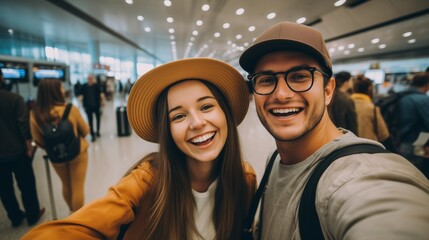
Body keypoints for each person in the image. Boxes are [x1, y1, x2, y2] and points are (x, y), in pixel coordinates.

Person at [22, 58, 256, 240]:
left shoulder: (244, 180)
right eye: (178, 116)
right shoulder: (146, 181)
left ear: (225, 112)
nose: (196, 123)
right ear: (167, 131)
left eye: (206, 106)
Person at [239, 21, 429, 239]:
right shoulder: (275, 161)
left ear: (328, 91)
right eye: (266, 80)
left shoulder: (358, 177)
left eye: (300, 76)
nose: (281, 94)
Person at [30, 79, 90, 213]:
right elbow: (85, 130)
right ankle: (79, 219)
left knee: (66, 185)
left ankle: (72, 212)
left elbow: (38, 140)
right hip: (77, 152)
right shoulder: (70, 109)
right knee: (78, 187)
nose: (64, 90)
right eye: (61, 88)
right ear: (55, 91)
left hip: (56, 156)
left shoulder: (35, 115)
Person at [0, 68, 45, 227]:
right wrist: (29, 146)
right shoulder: (14, 99)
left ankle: (15, 217)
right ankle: (33, 215)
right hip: (18, 151)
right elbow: (23, 125)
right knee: (26, 185)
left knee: (4, 189)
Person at [397, 72, 429, 177]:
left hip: (397, 141)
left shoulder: (400, 95)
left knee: (402, 172)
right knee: (417, 174)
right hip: (415, 143)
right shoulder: (422, 100)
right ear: (426, 84)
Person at [351, 75, 391, 142]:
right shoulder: (372, 108)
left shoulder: (346, 105)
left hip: (348, 146)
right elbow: (384, 134)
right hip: (368, 146)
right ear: (369, 88)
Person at [80, 74, 105, 141]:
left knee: (98, 119)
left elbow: (101, 94)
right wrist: (81, 103)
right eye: (89, 78)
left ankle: (98, 131)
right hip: (88, 106)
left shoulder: (96, 86)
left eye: (91, 78)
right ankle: (92, 134)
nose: (90, 80)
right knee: (90, 120)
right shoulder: (84, 86)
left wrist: (103, 101)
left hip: (96, 105)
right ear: (88, 79)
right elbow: (81, 95)